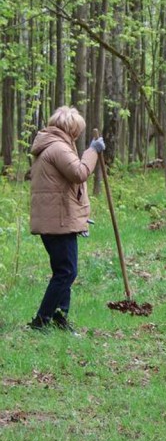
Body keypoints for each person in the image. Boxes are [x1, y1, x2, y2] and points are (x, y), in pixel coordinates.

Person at [27, 106, 104, 332]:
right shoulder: (58, 148)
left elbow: (62, 189)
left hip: (58, 219)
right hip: (57, 223)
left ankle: (60, 317)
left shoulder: (51, 146)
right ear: (70, 129)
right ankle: (42, 320)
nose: (78, 135)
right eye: (77, 130)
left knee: (65, 270)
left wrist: (79, 216)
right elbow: (79, 173)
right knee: (66, 272)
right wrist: (93, 151)